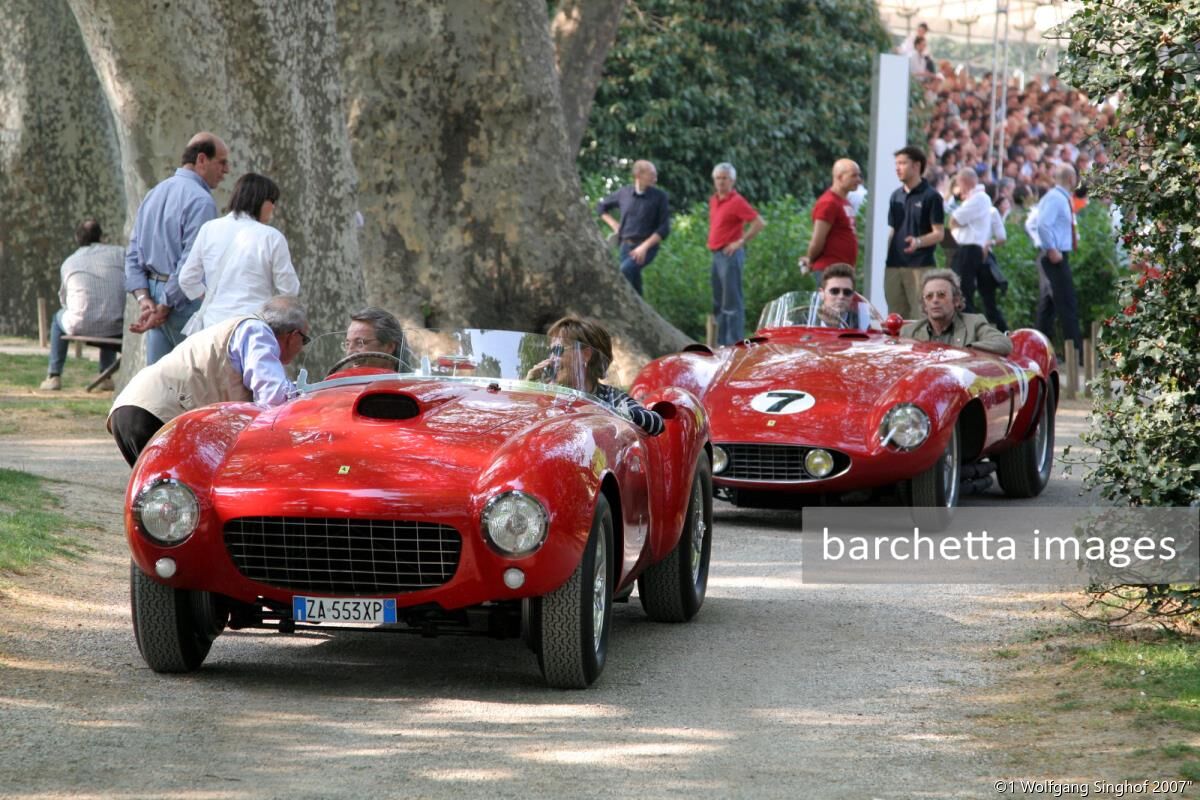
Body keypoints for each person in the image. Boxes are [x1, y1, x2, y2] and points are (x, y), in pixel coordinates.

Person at [108, 296, 309, 466]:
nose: (302, 347)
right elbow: (273, 395)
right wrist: (305, 402)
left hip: (133, 407)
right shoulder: (257, 332)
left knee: (163, 499)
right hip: (159, 415)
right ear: (293, 335)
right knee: (180, 498)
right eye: (305, 340)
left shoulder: (236, 328)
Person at [124, 132, 231, 364]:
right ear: (202, 159)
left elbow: (133, 253)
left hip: (153, 297)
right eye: (221, 162)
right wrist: (165, 304)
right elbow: (192, 262)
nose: (227, 170)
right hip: (180, 300)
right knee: (194, 380)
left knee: (158, 385)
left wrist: (145, 299)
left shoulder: (153, 194)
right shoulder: (201, 201)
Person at [177, 173, 299, 334]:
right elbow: (289, 290)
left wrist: (209, 295)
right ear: (260, 200)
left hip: (213, 326)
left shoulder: (209, 229)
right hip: (253, 326)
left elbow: (187, 279)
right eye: (272, 201)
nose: (274, 207)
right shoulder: (271, 237)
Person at [40, 220, 126, 392]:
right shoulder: (119, 253)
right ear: (102, 237)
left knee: (58, 319)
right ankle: (106, 376)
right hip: (116, 325)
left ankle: (54, 375)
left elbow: (64, 300)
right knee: (108, 311)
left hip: (79, 325)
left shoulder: (69, 262)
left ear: (76, 238)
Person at [543, 316, 664, 436]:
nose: (551, 359)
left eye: (558, 351)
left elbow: (657, 423)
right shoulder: (545, 393)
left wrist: (606, 413)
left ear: (585, 355)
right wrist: (528, 388)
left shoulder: (609, 397)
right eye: (550, 352)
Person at [707, 163, 765, 345]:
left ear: (732, 180)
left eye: (725, 178)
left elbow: (758, 222)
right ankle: (720, 343)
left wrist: (740, 242)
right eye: (718, 178)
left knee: (731, 302)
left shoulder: (736, 201)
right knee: (719, 301)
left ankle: (734, 344)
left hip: (730, 255)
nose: (721, 181)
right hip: (716, 255)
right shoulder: (714, 200)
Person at [886, 146, 945, 320]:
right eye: (896, 164)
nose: (898, 168)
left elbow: (939, 233)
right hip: (894, 266)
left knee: (920, 317)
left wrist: (918, 242)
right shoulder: (895, 195)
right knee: (895, 318)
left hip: (920, 266)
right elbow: (893, 230)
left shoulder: (931, 196)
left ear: (916, 166)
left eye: (903, 163)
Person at [596, 160, 671, 296]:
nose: (655, 178)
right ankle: (642, 314)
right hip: (625, 246)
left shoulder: (660, 197)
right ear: (639, 175)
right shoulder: (624, 193)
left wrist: (644, 247)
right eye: (651, 175)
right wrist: (614, 224)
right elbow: (601, 207)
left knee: (624, 271)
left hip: (646, 247)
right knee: (634, 285)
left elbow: (664, 228)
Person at [900, 270, 1012, 355]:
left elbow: (1004, 343)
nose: (935, 300)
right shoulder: (909, 332)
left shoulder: (974, 323)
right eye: (929, 296)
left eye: (941, 295)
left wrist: (965, 349)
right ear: (924, 305)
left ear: (956, 300)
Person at [1036, 164, 1083, 364]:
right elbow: (1042, 224)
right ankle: (1077, 355)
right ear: (1071, 179)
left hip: (1059, 254)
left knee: (1049, 307)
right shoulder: (1056, 198)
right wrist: (1051, 248)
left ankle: (1037, 350)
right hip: (1055, 257)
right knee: (1066, 303)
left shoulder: (1060, 197)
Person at [798, 159, 862, 275]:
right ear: (839, 177)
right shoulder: (829, 202)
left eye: (859, 175)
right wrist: (810, 259)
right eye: (854, 176)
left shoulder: (844, 202)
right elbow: (818, 240)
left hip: (842, 271)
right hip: (829, 271)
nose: (859, 180)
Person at [947, 168, 991, 314]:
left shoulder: (979, 198)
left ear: (963, 182)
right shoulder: (974, 198)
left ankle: (968, 328)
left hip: (968, 249)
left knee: (963, 292)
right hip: (965, 249)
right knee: (959, 291)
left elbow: (955, 220)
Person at [815, 263, 858, 328]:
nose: (841, 296)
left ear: (853, 296)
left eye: (847, 292)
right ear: (821, 293)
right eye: (834, 291)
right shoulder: (805, 319)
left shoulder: (861, 323)